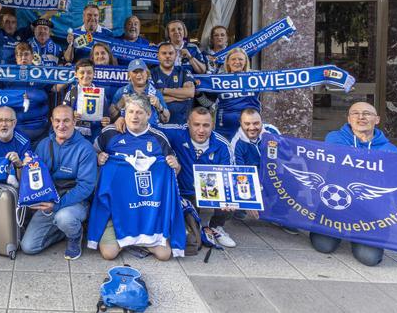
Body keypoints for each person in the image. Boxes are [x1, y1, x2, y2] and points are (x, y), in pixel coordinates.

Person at [314, 101, 397, 265]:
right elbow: (350, 157)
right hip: (335, 209)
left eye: (367, 113)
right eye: (355, 113)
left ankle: (356, 235)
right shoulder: (335, 138)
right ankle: (343, 232)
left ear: (377, 119)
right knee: (323, 246)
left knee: (369, 259)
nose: (361, 117)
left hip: (369, 215)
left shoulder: (388, 148)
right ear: (349, 119)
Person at [93, 94, 180, 260]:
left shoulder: (158, 138)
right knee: (109, 254)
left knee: (164, 254)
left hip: (146, 211)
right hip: (116, 208)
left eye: (139, 112)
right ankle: (123, 233)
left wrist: (175, 166)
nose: (134, 116)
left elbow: (173, 173)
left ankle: (139, 238)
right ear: (124, 113)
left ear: (149, 115)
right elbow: (92, 153)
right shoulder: (110, 133)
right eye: (130, 111)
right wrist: (98, 158)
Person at [20, 105, 97, 260]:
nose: (61, 125)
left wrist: (57, 205)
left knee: (64, 218)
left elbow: (86, 187)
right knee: (28, 247)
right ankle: (63, 231)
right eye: (57, 121)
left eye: (66, 120)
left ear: (74, 121)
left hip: (75, 201)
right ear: (52, 121)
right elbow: (36, 177)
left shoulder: (85, 148)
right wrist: (26, 165)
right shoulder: (43, 145)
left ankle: (74, 235)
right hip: (50, 200)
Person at [157, 107, 237, 248]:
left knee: (232, 200)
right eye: (196, 124)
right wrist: (121, 119)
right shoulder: (177, 133)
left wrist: (228, 198)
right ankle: (198, 227)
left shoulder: (223, 145)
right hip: (184, 193)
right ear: (188, 123)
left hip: (211, 193)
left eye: (206, 125)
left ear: (212, 125)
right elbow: (150, 127)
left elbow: (229, 176)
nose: (201, 130)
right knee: (190, 233)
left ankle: (216, 227)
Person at [228, 109, 289, 229]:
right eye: (247, 124)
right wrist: (250, 201)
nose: (252, 127)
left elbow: (285, 155)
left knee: (291, 178)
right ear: (240, 123)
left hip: (273, 173)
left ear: (262, 122)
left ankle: (281, 214)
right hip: (253, 177)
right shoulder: (235, 142)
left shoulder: (271, 131)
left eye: (256, 123)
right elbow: (240, 174)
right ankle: (241, 208)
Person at [2, 42, 52, 140]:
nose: (23, 58)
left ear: (32, 56)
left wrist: (70, 73)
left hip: (39, 127)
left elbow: (56, 88)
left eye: (26, 54)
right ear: (16, 58)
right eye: (20, 55)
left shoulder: (41, 74)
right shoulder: (7, 74)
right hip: (15, 128)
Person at [214, 47, 260, 141]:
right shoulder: (218, 79)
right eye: (233, 59)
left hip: (250, 127)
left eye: (240, 59)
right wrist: (198, 94)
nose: (237, 62)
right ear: (227, 62)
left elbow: (278, 83)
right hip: (224, 128)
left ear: (246, 62)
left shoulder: (256, 76)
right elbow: (207, 102)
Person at [63, 59, 111, 143]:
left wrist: (105, 121)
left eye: (89, 72)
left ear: (94, 74)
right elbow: (62, 115)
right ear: (76, 74)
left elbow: (106, 116)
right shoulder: (71, 93)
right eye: (82, 72)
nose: (85, 76)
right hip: (74, 134)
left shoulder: (101, 93)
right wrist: (71, 115)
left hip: (94, 134)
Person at [109, 59, 170, 125]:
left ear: (147, 73)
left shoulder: (155, 93)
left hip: (150, 132)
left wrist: (159, 106)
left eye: (141, 71)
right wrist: (119, 104)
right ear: (129, 75)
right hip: (127, 131)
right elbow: (110, 117)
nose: (139, 74)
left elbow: (166, 119)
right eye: (135, 72)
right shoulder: (121, 92)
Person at [151, 42, 195, 124]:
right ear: (158, 56)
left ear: (175, 56)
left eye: (171, 53)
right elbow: (151, 99)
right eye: (164, 53)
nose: (167, 56)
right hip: (158, 124)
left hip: (181, 124)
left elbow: (190, 93)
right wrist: (179, 97)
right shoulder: (151, 74)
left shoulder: (184, 71)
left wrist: (163, 91)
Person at [0, 0, 32, 64]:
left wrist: (48, 12)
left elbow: (37, 25)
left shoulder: (22, 34)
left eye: (13, 22)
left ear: (16, 25)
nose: (10, 25)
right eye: (7, 22)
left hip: (17, 71)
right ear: (2, 23)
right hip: (2, 71)